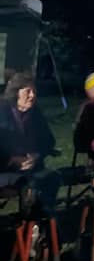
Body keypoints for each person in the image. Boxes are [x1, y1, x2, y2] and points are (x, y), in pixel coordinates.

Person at [0, 72, 60, 214]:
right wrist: (12, 160)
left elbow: (49, 141)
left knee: (53, 177)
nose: (32, 95)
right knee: (29, 185)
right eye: (28, 91)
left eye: (34, 91)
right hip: (5, 170)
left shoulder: (35, 113)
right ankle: (28, 222)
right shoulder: (3, 113)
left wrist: (36, 155)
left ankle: (40, 220)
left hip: (32, 167)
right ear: (16, 92)